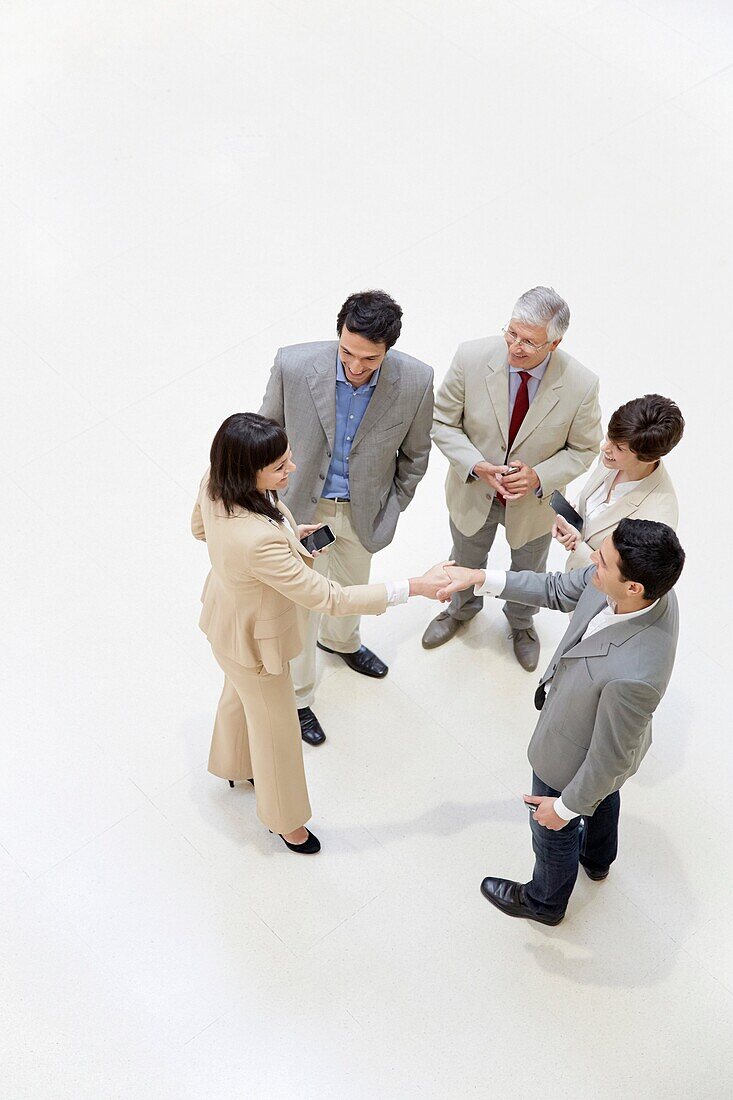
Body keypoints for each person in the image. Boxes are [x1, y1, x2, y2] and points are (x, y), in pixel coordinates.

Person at [191, 413, 449, 855]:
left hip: (227, 622)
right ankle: (286, 821)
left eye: (288, 460)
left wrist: (290, 539)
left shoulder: (216, 481)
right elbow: (330, 598)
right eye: (279, 467)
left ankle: (233, 762)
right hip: (258, 645)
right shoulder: (256, 541)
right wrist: (414, 587)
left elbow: (201, 529)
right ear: (247, 470)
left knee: (238, 695)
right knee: (276, 733)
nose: (291, 470)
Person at [436, 518, 685, 924]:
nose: (591, 565)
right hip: (601, 733)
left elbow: (608, 762)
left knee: (553, 828)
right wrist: (480, 576)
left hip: (574, 752)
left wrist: (566, 808)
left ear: (634, 588)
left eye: (601, 563)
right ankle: (598, 858)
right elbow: (556, 587)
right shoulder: (647, 589)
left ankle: (544, 902)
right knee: (603, 796)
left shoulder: (634, 676)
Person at [259, 290, 434, 746]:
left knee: (354, 586)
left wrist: (390, 507)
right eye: (347, 352)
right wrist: (270, 507)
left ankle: (342, 643)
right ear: (338, 335)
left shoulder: (415, 381)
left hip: (362, 512)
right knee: (301, 606)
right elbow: (264, 437)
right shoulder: (293, 366)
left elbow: (415, 458)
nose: (356, 367)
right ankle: (298, 697)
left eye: (370, 359)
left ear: (388, 350)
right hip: (299, 508)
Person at [423, 286, 602, 672]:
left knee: (529, 570)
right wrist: (475, 464)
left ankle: (521, 622)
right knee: (467, 555)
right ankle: (461, 608)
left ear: (555, 343)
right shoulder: (471, 356)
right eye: (512, 333)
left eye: (530, 342)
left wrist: (540, 476)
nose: (516, 347)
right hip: (474, 491)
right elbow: (442, 421)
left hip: (533, 504)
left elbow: (586, 449)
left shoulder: (581, 385)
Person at [553, 394, 683, 570]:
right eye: (609, 438)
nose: (605, 448)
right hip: (572, 578)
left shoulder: (657, 519)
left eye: (619, 448)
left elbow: (625, 578)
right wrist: (574, 515)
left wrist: (578, 545)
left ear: (648, 458)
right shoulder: (612, 457)